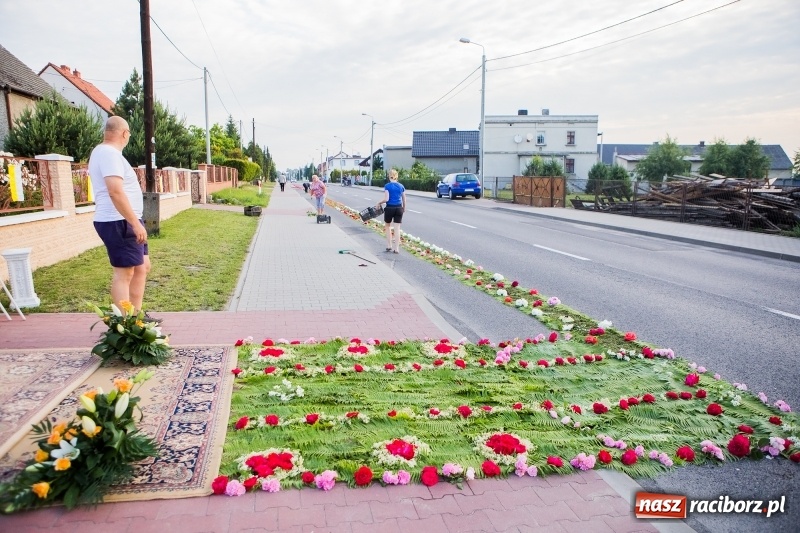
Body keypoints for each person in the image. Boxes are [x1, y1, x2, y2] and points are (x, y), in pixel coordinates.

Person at [88, 115, 159, 322]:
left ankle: (136, 317)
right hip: (118, 221)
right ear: (125, 134)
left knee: (142, 266)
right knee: (124, 273)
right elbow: (115, 192)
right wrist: (134, 223)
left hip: (127, 220)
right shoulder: (109, 154)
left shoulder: (105, 153)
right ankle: (126, 324)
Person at [376, 168, 406, 253]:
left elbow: (386, 199)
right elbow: (404, 198)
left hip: (389, 208)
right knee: (397, 228)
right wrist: (404, 207)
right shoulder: (401, 186)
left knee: (388, 226)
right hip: (399, 208)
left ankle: (389, 245)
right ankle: (396, 248)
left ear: (389, 176)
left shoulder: (387, 186)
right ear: (397, 176)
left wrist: (379, 202)